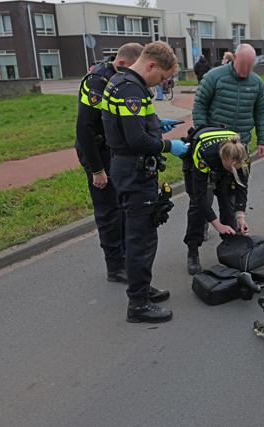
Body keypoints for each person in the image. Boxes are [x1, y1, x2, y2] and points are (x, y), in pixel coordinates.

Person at [102, 41, 188, 323]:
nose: (161, 83)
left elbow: (129, 124)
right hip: (135, 172)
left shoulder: (120, 82)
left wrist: (155, 124)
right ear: (151, 65)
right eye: (162, 77)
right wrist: (169, 146)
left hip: (124, 167)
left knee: (136, 234)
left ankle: (141, 287)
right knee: (142, 239)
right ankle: (138, 305)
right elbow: (136, 139)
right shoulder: (132, 90)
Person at [186, 43, 264, 271]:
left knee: (229, 201)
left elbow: (260, 112)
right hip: (212, 148)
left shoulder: (257, 83)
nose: (245, 71)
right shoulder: (214, 77)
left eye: (250, 67)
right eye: (242, 65)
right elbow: (199, 105)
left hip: (238, 146)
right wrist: (203, 133)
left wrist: (263, 139)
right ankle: (193, 250)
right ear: (234, 59)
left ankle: (231, 247)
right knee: (199, 204)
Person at [75, 42, 143, 284]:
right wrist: (97, 170)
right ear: (122, 63)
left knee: (121, 207)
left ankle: (123, 257)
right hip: (96, 152)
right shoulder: (97, 82)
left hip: (112, 150)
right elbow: (84, 128)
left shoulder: (121, 79)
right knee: (108, 211)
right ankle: (114, 267)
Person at [183, 128, 251, 274]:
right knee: (198, 209)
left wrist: (240, 216)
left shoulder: (243, 155)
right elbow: (200, 196)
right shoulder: (204, 155)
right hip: (199, 165)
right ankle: (193, 251)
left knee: (229, 204)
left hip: (222, 162)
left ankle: (230, 247)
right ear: (223, 159)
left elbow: (242, 187)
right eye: (232, 168)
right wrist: (217, 224)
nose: (234, 171)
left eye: (237, 168)